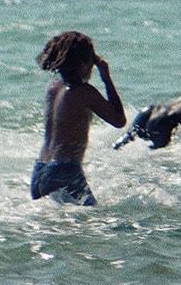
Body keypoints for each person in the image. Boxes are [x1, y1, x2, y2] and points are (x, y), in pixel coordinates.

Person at [32, 31, 126, 205]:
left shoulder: (53, 88)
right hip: (65, 171)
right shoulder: (84, 92)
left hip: (40, 171)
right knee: (96, 223)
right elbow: (119, 120)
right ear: (84, 64)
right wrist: (106, 78)